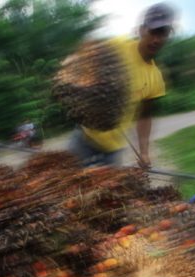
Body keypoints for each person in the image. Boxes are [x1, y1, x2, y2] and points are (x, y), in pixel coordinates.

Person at [69, 3, 176, 167]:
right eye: (153, 32)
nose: (156, 39)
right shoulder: (117, 47)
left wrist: (144, 152)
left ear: (168, 35)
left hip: (113, 150)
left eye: (163, 33)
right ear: (142, 30)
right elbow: (86, 61)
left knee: (105, 193)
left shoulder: (156, 77)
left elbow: (145, 116)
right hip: (84, 138)